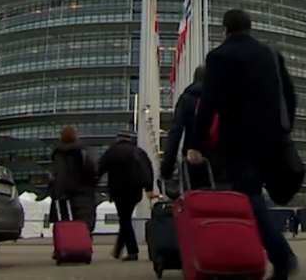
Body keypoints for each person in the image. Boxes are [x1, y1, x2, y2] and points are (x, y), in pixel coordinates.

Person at [187, 8, 298, 280]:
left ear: (225, 30)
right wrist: (285, 127)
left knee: (248, 197)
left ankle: (282, 256)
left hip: (239, 141)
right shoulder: (270, 53)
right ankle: (268, 258)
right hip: (273, 137)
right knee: (256, 194)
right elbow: (290, 94)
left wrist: (196, 143)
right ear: (249, 27)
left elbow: (209, 104)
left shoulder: (219, 57)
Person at [161, 66, 225, 190]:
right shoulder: (225, 98)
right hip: (222, 163)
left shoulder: (187, 98)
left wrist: (167, 168)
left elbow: (176, 132)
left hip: (194, 162)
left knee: (196, 202)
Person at [97, 131, 157, 262]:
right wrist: (149, 188)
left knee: (124, 220)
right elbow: (147, 170)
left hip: (119, 190)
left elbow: (100, 169)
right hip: (135, 191)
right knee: (125, 219)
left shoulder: (112, 151)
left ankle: (132, 251)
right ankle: (118, 250)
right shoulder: (139, 152)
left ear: (118, 139)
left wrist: (93, 184)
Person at [48, 127, 98, 241]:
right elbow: (92, 171)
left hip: (65, 195)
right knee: (84, 223)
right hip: (84, 193)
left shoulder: (59, 154)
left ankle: (67, 247)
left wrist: (57, 193)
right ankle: (83, 246)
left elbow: (60, 174)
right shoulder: (83, 152)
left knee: (65, 223)